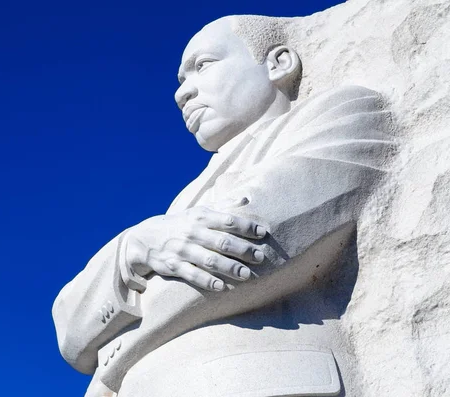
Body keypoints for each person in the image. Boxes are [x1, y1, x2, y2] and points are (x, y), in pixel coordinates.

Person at [53, 15, 395, 397]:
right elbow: (68, 335)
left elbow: (251, 246)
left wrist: (108, 353)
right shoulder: (181, 204)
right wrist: (132, 249)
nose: (181, 94)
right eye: (181, 82)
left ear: (278, 64)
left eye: (202, 66)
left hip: (253, 380)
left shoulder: (342, 113)